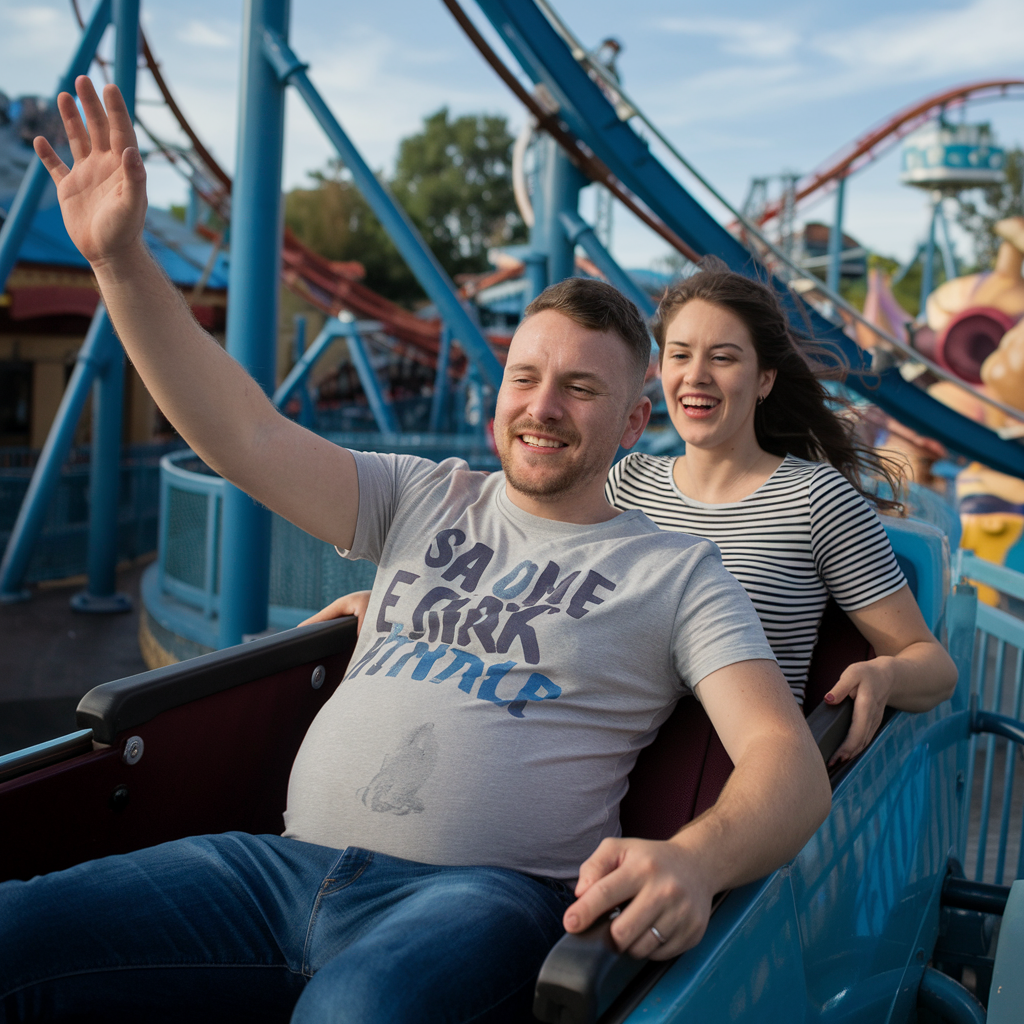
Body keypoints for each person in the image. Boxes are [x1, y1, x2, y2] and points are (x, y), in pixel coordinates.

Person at [0, 80, 830, 1024]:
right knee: (17, 930)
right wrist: (119, 261)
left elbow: (784, 761)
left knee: (357, 1014)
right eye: (526, 377)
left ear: (636, 419)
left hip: (482, 895)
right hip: (278, 866)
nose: (543, 406)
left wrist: (694, 858)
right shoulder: (421, 496)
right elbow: (244, 436)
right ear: (498, 394)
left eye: (581, 390)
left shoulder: (677, 573)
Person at [309, 263, 958, 766]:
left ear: (764, 380)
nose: (695, 376)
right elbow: (525, 584)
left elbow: (930, 662)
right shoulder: (628, 480)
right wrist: (411, 593)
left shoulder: (816, 501)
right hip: (589, 754)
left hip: (718, 771)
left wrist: (887, 671)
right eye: (679, 355)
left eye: (723, 358)